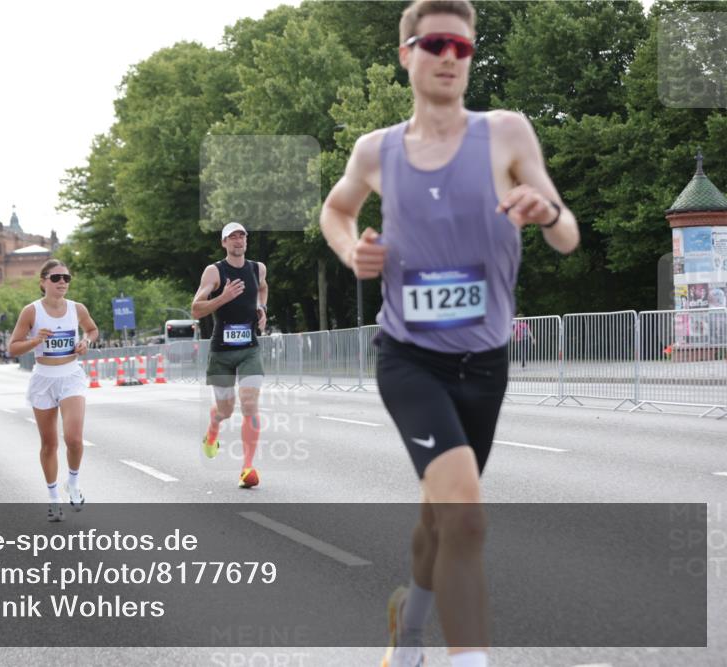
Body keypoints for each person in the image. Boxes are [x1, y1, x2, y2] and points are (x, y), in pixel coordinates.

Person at [318, 2, 580, 666]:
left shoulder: (508, 133)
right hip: (410, 358)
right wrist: (353, 251)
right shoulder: (376, 150)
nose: (449, 57)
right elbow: (336, 210)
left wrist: (544, 209)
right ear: (407, 54)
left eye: (462, 48)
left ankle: (409, 619)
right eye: (435, 43)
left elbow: (567, 233)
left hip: (485, 363)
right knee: (467, 514)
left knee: (441, 519)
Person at [8, 259, 99, 522]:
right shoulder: (31, 312)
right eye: (56, 278)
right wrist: (36, 340)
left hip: (70, 376)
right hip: (43, 380)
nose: (62, 283)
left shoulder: (77, 308)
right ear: (43, 281)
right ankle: (53, 498)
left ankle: (72, 482)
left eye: (66, 278)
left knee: (74, 439)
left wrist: (84, 341)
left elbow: (92, 330)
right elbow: (13, 347)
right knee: (49, 443)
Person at [191, 222, 268, 489]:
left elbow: (262, 288)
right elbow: (196, 309)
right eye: (232, 237)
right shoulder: (215, 271)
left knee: (250, 406)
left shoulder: (258, 268)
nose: (238, 241)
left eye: (242, 236)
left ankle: (247, 468)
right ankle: (213, 431)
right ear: (224, 243)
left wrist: (262, 308)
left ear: (246, 240)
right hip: (222, 353)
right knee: (225, 410)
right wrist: (223, 297)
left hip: (250, 350)